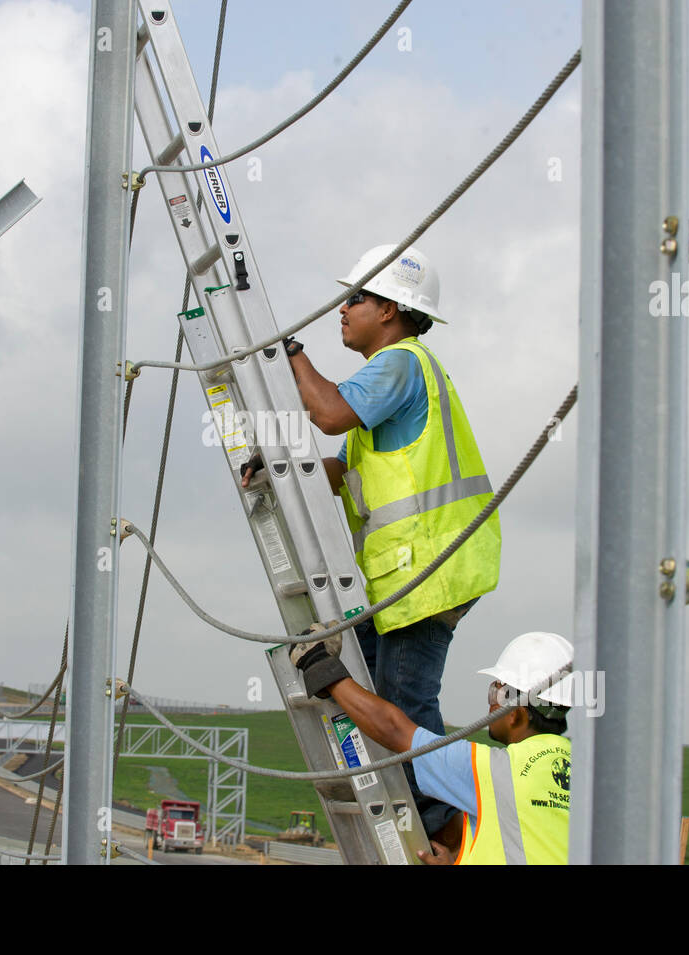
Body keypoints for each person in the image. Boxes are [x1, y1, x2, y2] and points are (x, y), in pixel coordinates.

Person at [242, 244, 501, 839]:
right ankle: (430, 825)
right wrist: (283, 470)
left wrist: (291, 355)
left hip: (426, 572)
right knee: (367, 692)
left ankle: (444, 836)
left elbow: (329, 413)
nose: (342, 309)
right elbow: (340, 469)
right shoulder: (389, 385)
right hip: (408, 575)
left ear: (390, 309)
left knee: (403, 706)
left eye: (353, 298)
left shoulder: (401, 363)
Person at [291, 630, 577, 863]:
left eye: (496, 691)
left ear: (515, 713)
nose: (490, 700)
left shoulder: (491, 771)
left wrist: (322, 667)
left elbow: (394, 729)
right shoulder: (590, 778)